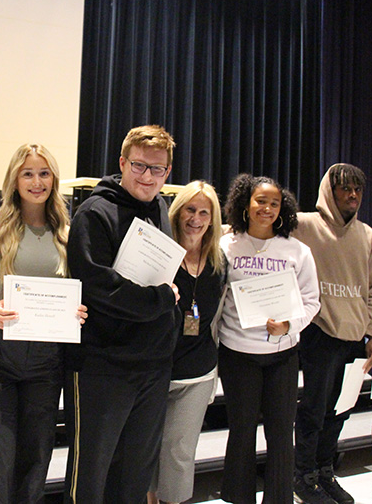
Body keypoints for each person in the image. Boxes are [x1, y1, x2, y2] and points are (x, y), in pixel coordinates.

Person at [64, 124, 180, 503]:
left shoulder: (160, 207)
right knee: (91, 474)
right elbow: (99, 287)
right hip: (104, 364)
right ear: (122, 163)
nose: (147, 176)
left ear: (168, 172)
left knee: (134, 473)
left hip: (152, 364)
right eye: (139, 166)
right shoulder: (94, 213)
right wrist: (161, 300)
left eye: (157, 169)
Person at [0, 143, 86, 503]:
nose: (37, 182)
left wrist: (77, 311)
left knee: (36, 459)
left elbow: (78, 292)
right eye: (28, 173)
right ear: (14, 180)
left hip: (47, 362)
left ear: (54, 179)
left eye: (44, 173)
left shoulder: (68, 231)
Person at [215, 174, 320, 504]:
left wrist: (290, 325)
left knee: (279, 434)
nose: (267, 208)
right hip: (237, 353)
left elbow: (312, 300)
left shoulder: (298, 251)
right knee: (242, 432)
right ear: (246, 203)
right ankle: (238, 498)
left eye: (274, 203)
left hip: (282, 355)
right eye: (261, 201)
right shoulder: (225, 244)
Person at [291, 163, 372, 504]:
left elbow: (370, 289)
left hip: (355, 335)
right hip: (320, 332)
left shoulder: (368, 235)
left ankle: (325, 471)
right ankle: (303, 476)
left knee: (340, 410)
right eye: (345, 188)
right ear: (330, 190)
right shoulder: (304, 225)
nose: (352, 194)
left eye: (357, 188)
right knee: (314, 409)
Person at [147, 181, 226, 504]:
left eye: (204, 212)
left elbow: (218, 320)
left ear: (213, 219)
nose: (196, 218)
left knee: (179, 451)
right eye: (190, 210)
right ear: (177, 212)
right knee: (147, 447)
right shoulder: (159, 254)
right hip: (154, 370)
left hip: (197, 373)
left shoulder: (221, 263)